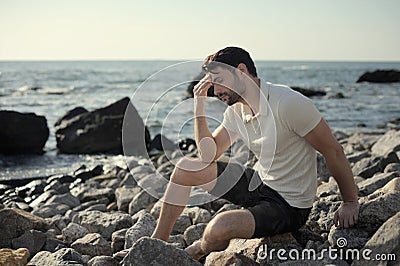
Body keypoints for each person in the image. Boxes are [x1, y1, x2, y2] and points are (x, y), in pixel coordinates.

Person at [150, 46, 359, 260]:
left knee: (217, 229)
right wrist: (199, 105)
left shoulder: (288, 104)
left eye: (219, 80)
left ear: (241, 70)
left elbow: (333, 150)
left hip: (289, 205)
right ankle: (155, 243)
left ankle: (197, 251)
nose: (216, 90)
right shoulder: (236, 110)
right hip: (259, 183)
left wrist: (350, 202)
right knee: (186, 168)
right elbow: (207, 156)